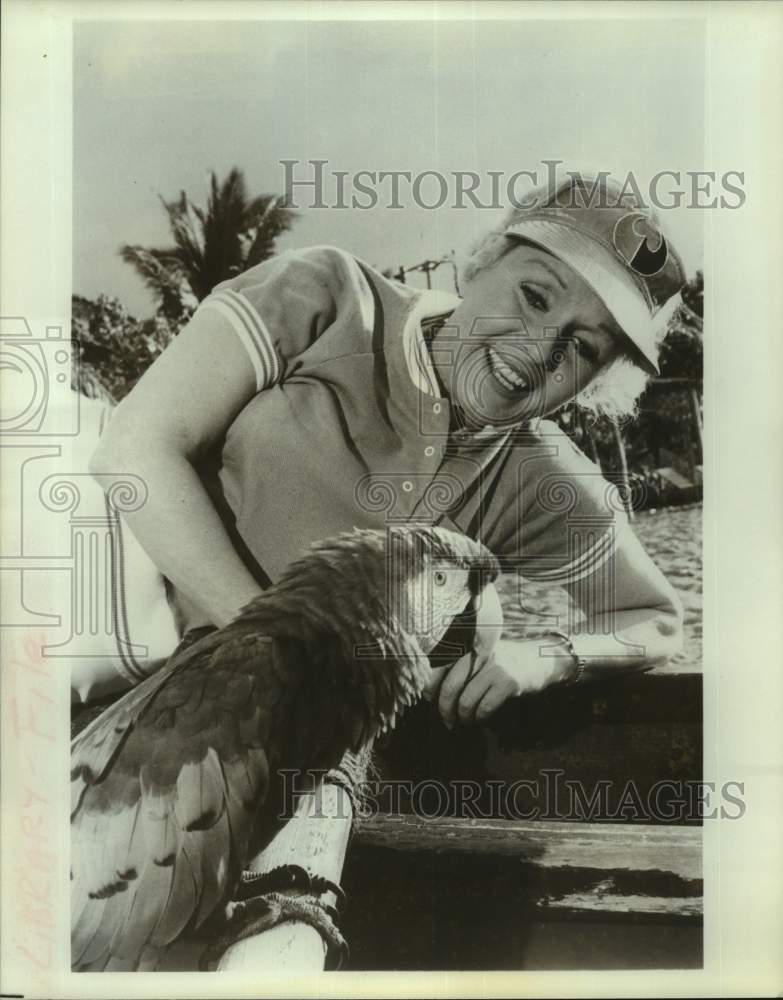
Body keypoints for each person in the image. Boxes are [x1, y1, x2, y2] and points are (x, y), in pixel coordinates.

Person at [78, 173, 686, 729]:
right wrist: (273, 654)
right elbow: (132, 450)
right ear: (485, 260)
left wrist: (546, 659)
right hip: (92, 657)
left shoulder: (539, 474)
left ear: (596, 380)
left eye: (584, 348)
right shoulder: (328, 296)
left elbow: (655, 619)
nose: (539, 349)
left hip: (249, 739)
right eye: (534, 295)